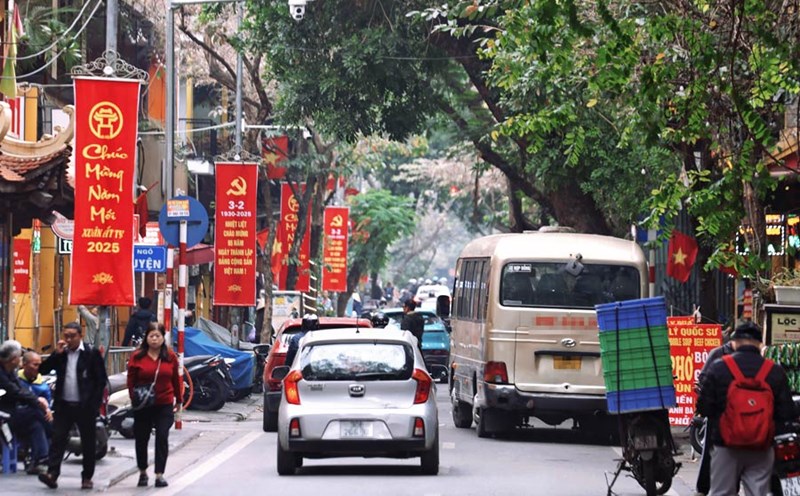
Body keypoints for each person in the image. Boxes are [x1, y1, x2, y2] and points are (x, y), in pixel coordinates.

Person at [696, 321, 794, 496]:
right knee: (759, 492)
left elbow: (704, 407)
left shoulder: (719, 368)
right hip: (762, 447)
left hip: (726, 446)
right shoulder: (775, 372)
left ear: (734, 342)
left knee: (722, 492)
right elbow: (787, 413)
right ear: (760, 344)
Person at [38, 322, 107, 490]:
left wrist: (94, 404)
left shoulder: (91, 354)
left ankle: (87, 477)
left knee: (88, 442)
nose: (68, 339)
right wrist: (55, 353)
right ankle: (52, 473)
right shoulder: (61, 354)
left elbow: (100, 380)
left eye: (72, 336)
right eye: (66, 336)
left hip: (85, 406)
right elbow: (43, 369)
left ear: (80, 336)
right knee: (58, 438)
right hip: (64, 405)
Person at [127, 323, 181, 488]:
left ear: (163, 337)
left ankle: (159, 474)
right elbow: (131, 381)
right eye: (151, 336)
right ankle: (143, 471)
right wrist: (134, 399)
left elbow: (176, 379)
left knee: (162, 436)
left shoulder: (170, 356)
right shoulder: (137, 356)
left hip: (164, 403)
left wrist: (178, 400)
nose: (155, 339)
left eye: (158, 336)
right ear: (146, 338)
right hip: (143, 404)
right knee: (142, 438)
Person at [0, 341, 51, 475]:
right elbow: (14, 391)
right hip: (3, 415)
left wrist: (38, 401)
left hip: (11, 412)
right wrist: (39, 402)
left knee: (36, 424)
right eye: (20, 357)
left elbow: (21, 389)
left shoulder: (10, 372)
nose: (21, 360)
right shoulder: (1, 374)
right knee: (37, 413)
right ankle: (45, 453)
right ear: (13, 359)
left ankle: (39, 460)